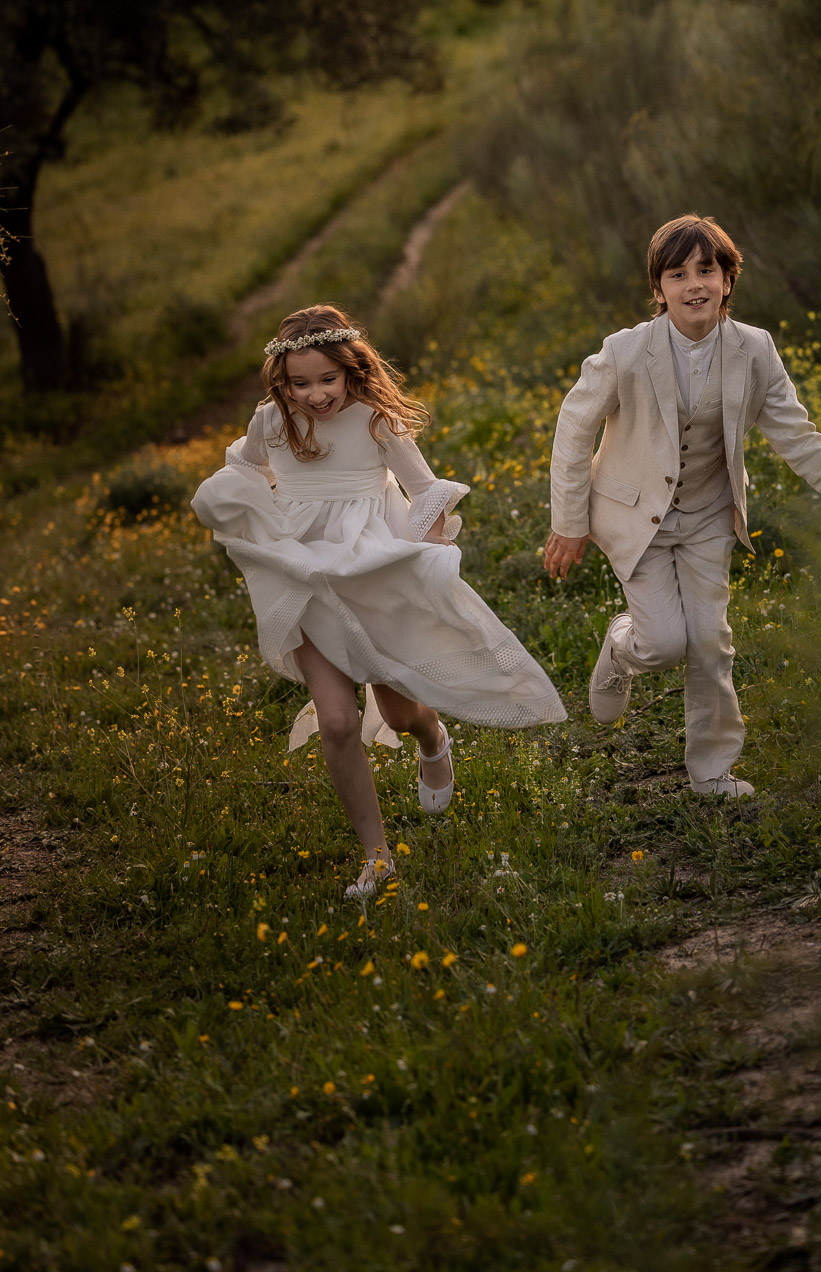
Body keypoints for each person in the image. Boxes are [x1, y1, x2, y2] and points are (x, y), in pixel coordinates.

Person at [193, 304, 565, 898]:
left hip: (373, 572)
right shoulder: (272, 421)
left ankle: (432, 738)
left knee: (398, 713)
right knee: (338, 723)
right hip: (306, 575)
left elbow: (424, 491)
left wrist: (428, 554)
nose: (316, 395)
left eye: (327, 379)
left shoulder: (374, 421)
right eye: (300, 383)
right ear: (281, 381)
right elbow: (242, 468)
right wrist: (249, 514)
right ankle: (378, 857)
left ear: (349, 370)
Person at [543, 215, 821, 798]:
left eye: (706, 270)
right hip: (637, 515)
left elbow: (797, 434)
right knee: (664, 644)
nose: (694, 285)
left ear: (728, 279)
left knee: (710, 640)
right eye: (677, 274)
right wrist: (569, 522)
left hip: (710, 513)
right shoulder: (626, 351)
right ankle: (620, 643)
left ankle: (712, 770)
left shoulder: (754, 350)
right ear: (659, 289)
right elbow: (574, 429)